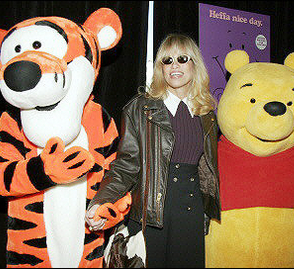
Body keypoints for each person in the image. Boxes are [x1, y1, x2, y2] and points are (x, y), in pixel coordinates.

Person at [85, 33, 221, 268]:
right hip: (150, 212)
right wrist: (102, 200)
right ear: (160, 68)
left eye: (182, 58)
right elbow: (126, 165)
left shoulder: (206, 112)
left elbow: (207, 171)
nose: (174, 66)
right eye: (167, 61)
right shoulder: (140, 108)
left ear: (195, 64)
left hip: (190, 212)